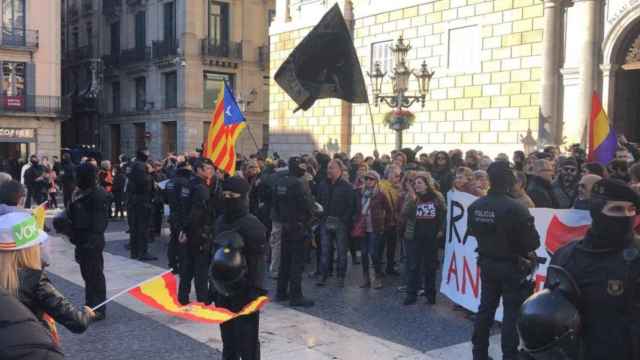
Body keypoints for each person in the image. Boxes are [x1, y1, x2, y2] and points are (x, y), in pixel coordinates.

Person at [520, 179, 640, 360]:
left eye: (631, 210)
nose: (625, 216)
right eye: (616, 209)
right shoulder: (566, 256)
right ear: (596, 212)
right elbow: (548, 310)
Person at [0, 180, 95, 343]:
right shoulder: (34, 279)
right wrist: (87, 313)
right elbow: (77, 322)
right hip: (30, 345)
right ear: (30, 248)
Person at [467, 161, 540, 360]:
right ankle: (509, 355)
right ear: (509, 181)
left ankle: (478, 353)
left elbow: (472, 232)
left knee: (485, 310)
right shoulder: (516, 208)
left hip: (487, 263)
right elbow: (532, 242)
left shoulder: (475, 206)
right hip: (512, 266)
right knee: (511, 314)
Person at [210, 176, 267, 360]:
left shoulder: (253, 225)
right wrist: (213, 285)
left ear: (242, 197)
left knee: (247, 343)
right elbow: (214, 255)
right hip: (222, 291)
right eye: (225, 194)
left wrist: (255, 291)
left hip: (245, 292)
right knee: (228, 341)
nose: (227, 198)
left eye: (232, 195)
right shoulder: (220, 221)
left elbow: (258, 261)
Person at [68, 163, 109, 320]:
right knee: (88, 274)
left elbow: (98, 224)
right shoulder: (81, 192)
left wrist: (87, 240)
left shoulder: (97, 195)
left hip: (91, 240)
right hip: (82, 239)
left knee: (95, 274)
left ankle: (98, 308)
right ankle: (90, 304)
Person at [273, 156, 315, 307]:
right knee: (296, 263)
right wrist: (309, 219)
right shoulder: (299, 183)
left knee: (285, 261)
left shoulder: (280, 182)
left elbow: (275, 204)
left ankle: (280, 292)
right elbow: (308, 205)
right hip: (298, 226)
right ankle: (296, 296)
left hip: (285, 225)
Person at [177, 158, 217, 305]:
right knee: (201, 267)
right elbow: (197, 212)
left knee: (187, 266)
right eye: (207, 169)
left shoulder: (188, 184)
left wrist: (183, 229)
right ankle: (202, 298)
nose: (210, 171)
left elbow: (182, 208)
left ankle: (183, 297)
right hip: (199, 231)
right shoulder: (201, 188)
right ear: (199, 170)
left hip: (187, 230)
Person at [401, 172, 445, 305]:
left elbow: (443, 213)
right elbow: (405, 212)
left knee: (430, 267)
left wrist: (441, 230)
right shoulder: (412, 196)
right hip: (414, 236)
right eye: (415, 183)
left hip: (431, 237)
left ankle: (430, 294)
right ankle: (411, 294)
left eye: (419, 183)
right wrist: (413, 199)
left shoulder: (437, 196)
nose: (416, 185)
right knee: (413, 266)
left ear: (427, 184)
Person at [315, 159, 355, 287]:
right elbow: (318, 200)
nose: (329, 170)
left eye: (332, 167)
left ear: (340, 170)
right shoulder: (322, 184)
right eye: (328, 167)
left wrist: (344, 220)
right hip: (325, 220)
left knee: (341, 251)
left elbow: (351, 206)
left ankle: (340, 276)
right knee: (325, 250)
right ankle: (323, 275)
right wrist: (320, 215)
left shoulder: (347, 186)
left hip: (340, 223)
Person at [355, 170, 392, 289]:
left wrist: (385, 225)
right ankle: (366, 278)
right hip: (363, 227)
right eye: (366, 178)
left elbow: (389, 210)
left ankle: (377, 277)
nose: (368, 181)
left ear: (376, 181)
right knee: (364, 254)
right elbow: (356, 209)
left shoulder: (381, 195)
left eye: (371, 179)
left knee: (374, 254)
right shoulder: (360, 193)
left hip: (375, 228)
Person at [127, 149, 157, 261]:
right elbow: (144, 183)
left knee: (136, 227)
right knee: (142, 227)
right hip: (142, 200)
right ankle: (142, 252)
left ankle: (135, 252)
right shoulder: (141, 166)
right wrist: (151, 173)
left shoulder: (133, 165)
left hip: (135, 200)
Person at [165, 161, 192, 273]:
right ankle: (181, 265)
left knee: (173, 240)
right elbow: (185, 201)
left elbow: (165, 199)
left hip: (173, 213)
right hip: (181, 215)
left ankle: (172, 264)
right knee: (182, 242)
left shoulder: (170, 182)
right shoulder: (185, 183)